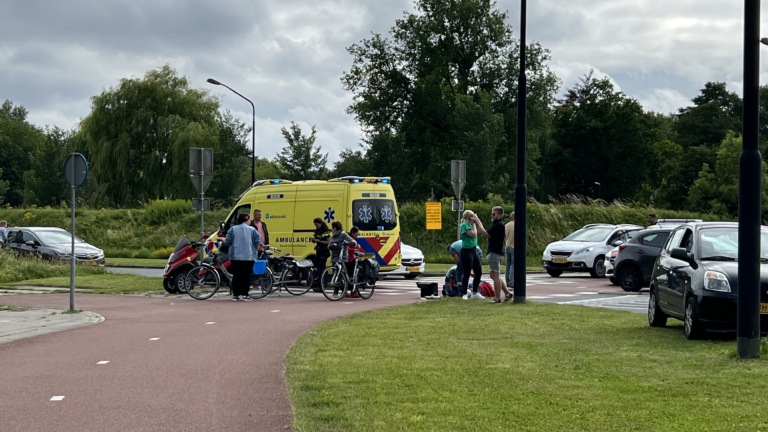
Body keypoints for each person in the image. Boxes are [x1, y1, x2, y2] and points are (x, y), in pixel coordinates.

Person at [476, 207, 513, 303]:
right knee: (492, 275)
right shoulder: (496, 224)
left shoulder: (499, 225)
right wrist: (478, 223)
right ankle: (507, 293)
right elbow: (484, 232)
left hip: (495, 253)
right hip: (495, 252)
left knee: (495, 275)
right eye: (491, 214)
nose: (492, 216)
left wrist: (477, 222)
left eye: (494, 214)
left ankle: (497, 297)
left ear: (499, 215)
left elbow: (486, 234)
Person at [223, 213, 261, 301]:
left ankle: (235, 294)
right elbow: (257, 241)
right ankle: (245, 294)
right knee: (246, 276)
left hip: (235, 257)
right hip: (249, 256)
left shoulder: (233, 229)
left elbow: (228, 241)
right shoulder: (252, 230)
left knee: (236, 275)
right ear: (247, 220)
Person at [459, 210, 483, 300]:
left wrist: (476, 221)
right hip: (466, 251)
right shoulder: (465, 225)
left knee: (478, 272)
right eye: (472, 216)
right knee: (467, 272)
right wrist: (474, 224)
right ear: (469, 217)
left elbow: (479, 228)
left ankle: (475, 292)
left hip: (473, 250)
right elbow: (474, 234)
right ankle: (464, 293)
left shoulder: (470, 225)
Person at [311, 217, 332, 290]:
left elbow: (328, 241)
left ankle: (322, 284)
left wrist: (319, 241)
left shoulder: (325, 231)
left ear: (320, 223)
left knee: (321, 267)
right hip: (319, 251)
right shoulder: (318, 230)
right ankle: (320, 283)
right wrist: (314, 241)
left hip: (324, 251)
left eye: (317, 225)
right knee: (318, 267)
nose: (316, 226)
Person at [504, 212, 515, 289]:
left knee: (508, 264)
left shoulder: (506, 225)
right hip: (513, 246)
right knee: (513, 264)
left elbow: (503, 236)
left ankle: (507, 281)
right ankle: (512, 282)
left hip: (507, 245)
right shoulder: (516, 225)